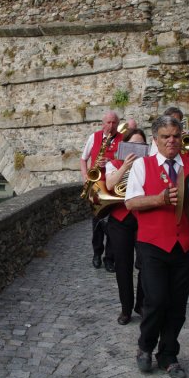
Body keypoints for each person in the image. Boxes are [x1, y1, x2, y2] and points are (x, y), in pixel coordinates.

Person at [125, 115, 189, 378]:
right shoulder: (142, 166)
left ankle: (169, 354)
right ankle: (145, 346)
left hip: (186, 244)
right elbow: (131, 203)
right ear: (156, 140)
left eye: (175, 136)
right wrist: (158, 200)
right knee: (156, 300)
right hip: (153, 244)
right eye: (165, 137)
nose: (171, 141)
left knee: (177, 305)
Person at [105, 128, 147, 325]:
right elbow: (111, 185)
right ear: (125, 147)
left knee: (146, 264)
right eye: (133, 146)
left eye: (140, 146)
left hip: (143, 219)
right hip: (120, 221)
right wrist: (125, 167)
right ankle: (126, 309)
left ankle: (141, 304)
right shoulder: (114, 164)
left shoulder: (149, 166)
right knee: (123, 266)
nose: (136, 150)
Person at [81, 111, 121, 271]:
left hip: (113, 186)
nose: (111, 126)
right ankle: (97, 253)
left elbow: (126, 161)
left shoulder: (122, 139)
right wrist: (85, 176)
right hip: (97, 187)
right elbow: (83, 159)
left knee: (113, 223)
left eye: (114, 123)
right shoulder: (94, 137)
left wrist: (111, 161)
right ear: (103, 123)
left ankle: (109, 258)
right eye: (108, 123)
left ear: (118, 124)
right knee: (97, 223)